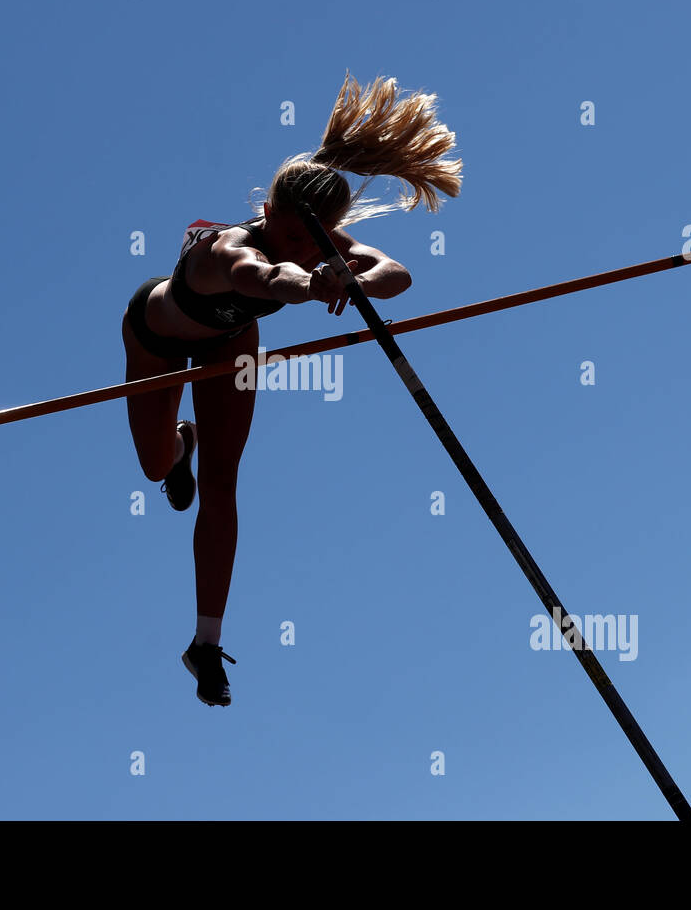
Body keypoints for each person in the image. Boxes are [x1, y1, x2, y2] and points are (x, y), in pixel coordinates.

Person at [120, 72, 463, 706]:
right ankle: (179, 446)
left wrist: (353, 276)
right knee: (152, 466)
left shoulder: (316, 236)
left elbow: (399, 274)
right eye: (298, 236)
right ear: (270, 211)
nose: (306, 247)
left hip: (231, 344)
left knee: (224, 484)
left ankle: (204, 643)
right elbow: (265, 277)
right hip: (157, 337)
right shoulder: (229, 250)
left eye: (318, 239)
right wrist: (313, 284)